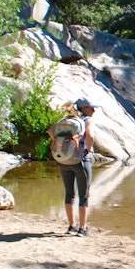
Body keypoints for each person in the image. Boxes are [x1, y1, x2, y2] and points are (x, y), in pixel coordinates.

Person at [47, 97, 101, 236]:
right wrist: (87, 150)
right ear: (83, 108)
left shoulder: (65, 120)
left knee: (69, 193)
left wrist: (61, 145)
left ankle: (71, 226)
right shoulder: (87, 121)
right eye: (91, 108)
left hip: (64, 160)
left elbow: (50, 131)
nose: (94, 110)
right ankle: (82, 228)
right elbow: (90, 135)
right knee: (84, 195)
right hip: (80, 160)